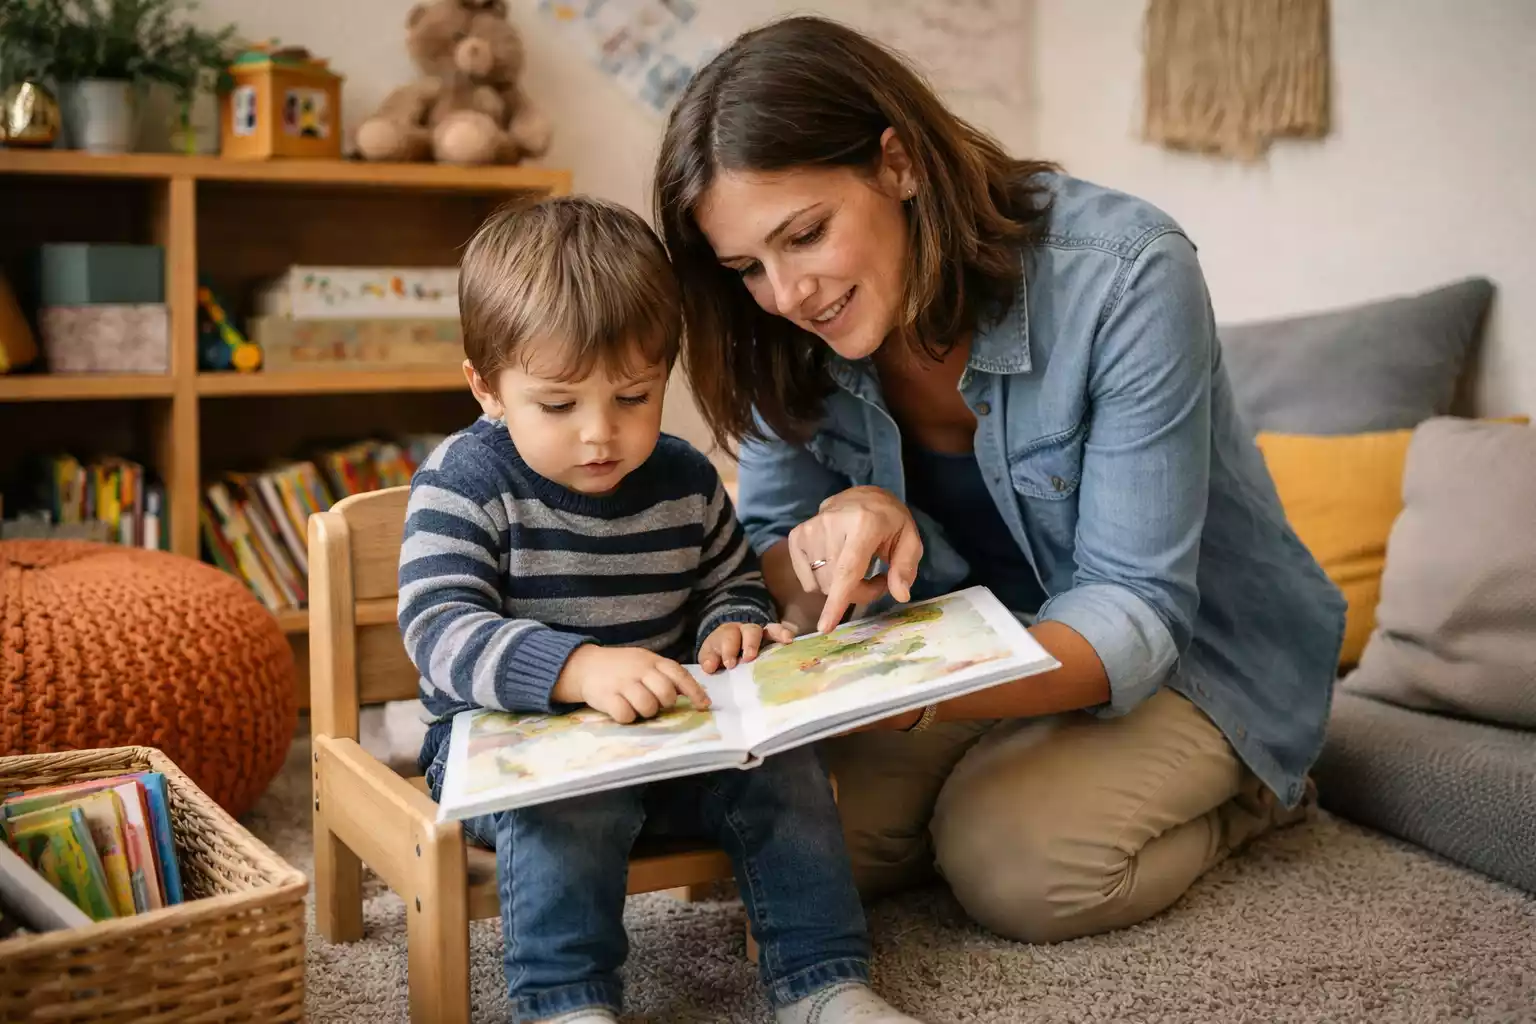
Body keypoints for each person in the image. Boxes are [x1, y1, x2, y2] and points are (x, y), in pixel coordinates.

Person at [653, 16, 1348, 946]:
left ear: (897, 164)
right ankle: (989, 776)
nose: (788, 296)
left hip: (1196, 657)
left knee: (1015, 866)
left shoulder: (1126, 272)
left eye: (807, 235)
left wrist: (920, 697)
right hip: (969, 649)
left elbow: (1136, 610)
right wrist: (837, 530)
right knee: (781, 842)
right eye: (747, 268)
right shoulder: (777, 330)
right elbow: (769, 558)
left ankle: (1263, 791)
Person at [400, 196, 927, 1024]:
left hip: (668, 743)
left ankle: (823, 982)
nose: (600, 435)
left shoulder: (683, 480)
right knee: (571, 798)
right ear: (486, 388)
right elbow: (439, 630)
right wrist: (577, 669)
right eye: (559, 406)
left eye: (634, 397)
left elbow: (729, 580)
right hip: (506, 756)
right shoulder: (463, 484)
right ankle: (567, 1003)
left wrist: (732, 625)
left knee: (784, 767)